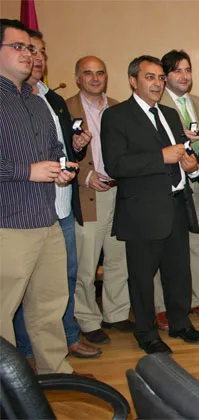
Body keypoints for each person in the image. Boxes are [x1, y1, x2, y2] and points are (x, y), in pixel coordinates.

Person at [101, 55, 199, 354]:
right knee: (142, 278)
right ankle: (146, 332)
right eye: (150, 77)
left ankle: (180, 323)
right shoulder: (117, 116)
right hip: (142, 210)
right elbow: (115, 165)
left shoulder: (170, 115)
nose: (157, 83)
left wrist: (191, 166)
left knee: (178, 272)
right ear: (132, 81)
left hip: (176, 205)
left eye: (161, 78)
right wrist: (161, 156)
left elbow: (180, 155)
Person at [12, 29, 102, 364]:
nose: (36, 57)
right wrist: (30, 170)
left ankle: (65, 342)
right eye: (26, 49)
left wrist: (75, 150)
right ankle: (24, 356)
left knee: (60, 282)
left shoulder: (50, 100)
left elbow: (59, 148)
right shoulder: (12, 99)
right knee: (21, 290)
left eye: (40, 51)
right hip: (20, 209)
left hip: (60, 204)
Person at [0, 19, 76, 374]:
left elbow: (54, 148)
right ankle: (8, 386)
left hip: (47, 221)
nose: (28, 54)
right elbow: (26, 167)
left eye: (30, 48)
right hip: (9, 223)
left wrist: (62, 167)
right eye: (18, 47)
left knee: (49, 306)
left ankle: (55, 373)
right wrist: (26, 171)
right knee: (2, 311)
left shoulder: (36, 101)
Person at [67, 56, 133, 346]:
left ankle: (116, 314)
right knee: (86, 263)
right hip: (88, 196)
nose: (95, 78)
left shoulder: (119, 108)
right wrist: (85, 175)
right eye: (88, 73)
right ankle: (87, 319)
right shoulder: (65, 108)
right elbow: (58, 149)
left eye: (100, 73)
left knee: (119, 258)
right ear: (77, 78)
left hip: (120, 193)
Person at [152, 50, 199, 331]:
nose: (184, 76)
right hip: (168, 185)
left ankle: (197, 298)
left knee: (196, 244)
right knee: (162, 247)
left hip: (197, 182)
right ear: (165, 76)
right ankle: (161, 306)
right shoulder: (156, 103)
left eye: (187, 70)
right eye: (177, 70)